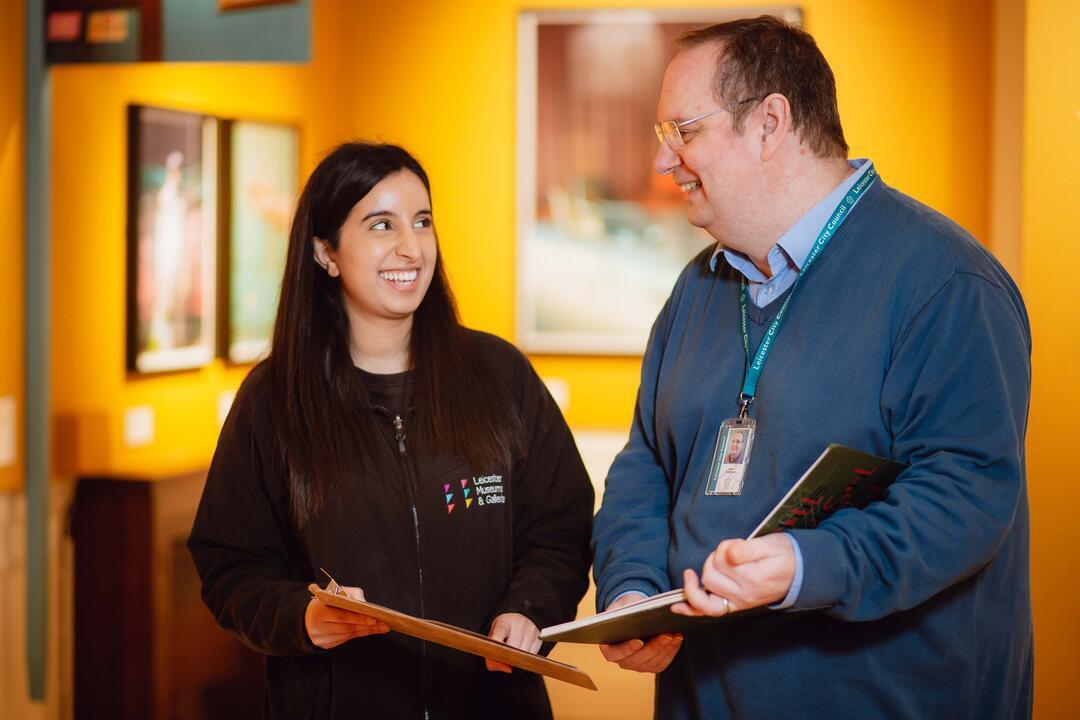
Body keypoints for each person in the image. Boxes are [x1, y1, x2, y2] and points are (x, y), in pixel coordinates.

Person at [591, 16, 1032, 719]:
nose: (663, 163)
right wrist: (634, 592)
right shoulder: (695, 290)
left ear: (770, 122)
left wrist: (805, 566)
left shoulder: (946, 282)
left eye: (685, 131)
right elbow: (647, 460)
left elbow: (968, 495)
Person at [189, 142, 594, 719]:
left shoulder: (500, 375)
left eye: (422, 222)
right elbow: (230, 564)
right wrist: (302, 617)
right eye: (381, 225)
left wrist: (530, 608)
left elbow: (560, 528)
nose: (411, 247)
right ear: (326, 252)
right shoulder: (273, 401)